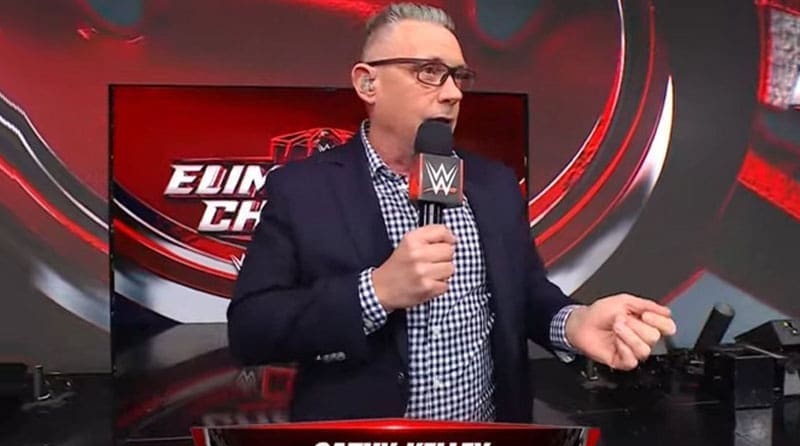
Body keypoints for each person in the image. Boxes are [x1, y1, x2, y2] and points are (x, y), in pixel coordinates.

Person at [227, 3, 676, 424]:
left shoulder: (494, 184)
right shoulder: (303, 190)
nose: (452, 93)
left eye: (459, 76)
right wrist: (375, 292)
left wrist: (573, 323)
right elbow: (251, 329)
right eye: (429, 73)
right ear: (368, 84)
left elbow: (525, 293)